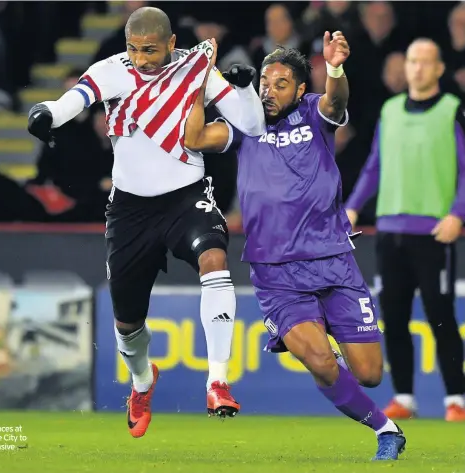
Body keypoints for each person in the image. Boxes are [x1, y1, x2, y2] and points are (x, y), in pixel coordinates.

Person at [27, 7, 264, 438]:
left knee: (215, 259)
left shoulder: (197, 68)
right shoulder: (112, 70)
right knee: (127, 323)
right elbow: (73, 100)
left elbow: (253, 124)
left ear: (172, 44)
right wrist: (45, 114)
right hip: (130, 212)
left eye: (150, 50)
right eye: (134, 49)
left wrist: (245, 90)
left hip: (186, 198)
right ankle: (142, 382)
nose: (141, 59)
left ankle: (217, 381)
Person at [184, 33, 407, 461]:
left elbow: (337, 102)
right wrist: (199, 84)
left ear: (300, 89)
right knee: (321, 362)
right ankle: (386, 429)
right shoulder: (245, 120)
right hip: (276, 271)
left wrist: (336, 68)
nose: (268, 90)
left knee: (370, 373)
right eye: (264, 82)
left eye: (280, 83)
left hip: (333, 261)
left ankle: (322, 329)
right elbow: (194, 137)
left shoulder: (315, 113)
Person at [345, 38, 465, 422]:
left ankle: (457, 400)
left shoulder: (453, 110)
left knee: (441, 317)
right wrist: (351, 206)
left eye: (425, 62)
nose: (417, 68)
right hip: (390, 231)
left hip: (434, 233)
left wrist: (458, 214)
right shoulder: (390, 110)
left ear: (439, 69)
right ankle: (405, 398)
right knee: (393, 318)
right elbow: (374, 166)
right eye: (412, 60)